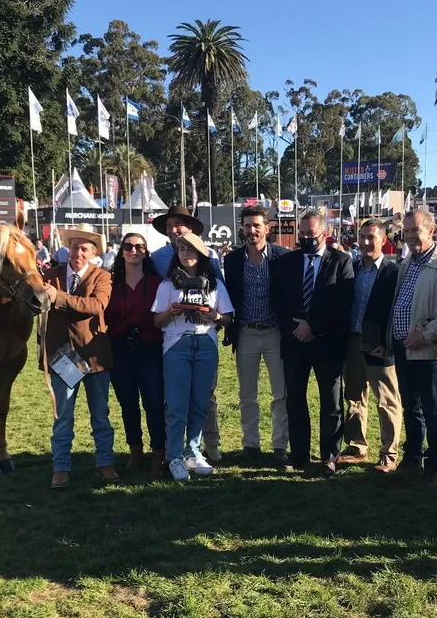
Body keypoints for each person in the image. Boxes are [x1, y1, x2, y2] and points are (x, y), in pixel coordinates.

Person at [270, 209, 355, 475]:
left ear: (325, 234)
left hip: (327, 343)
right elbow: (277, 301)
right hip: (294, 342)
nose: (307, 238)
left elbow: (343, 304)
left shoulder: (341, 261)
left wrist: (313, 328)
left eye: (312, 234)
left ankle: (329, 456)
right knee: (295, 400)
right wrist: (297, 328)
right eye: (303, 233)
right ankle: (299, 456)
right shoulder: (286, 262)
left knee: (331, 403)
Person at [387, 209, 437, 485]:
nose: (409, 236)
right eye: (406, 232)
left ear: (431, 231)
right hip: (404, 347)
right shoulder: (408, 263)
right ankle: (413, 458)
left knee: (433, 408)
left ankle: (435, 466)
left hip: (429, 350)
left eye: (414, 230)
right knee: (411, 407)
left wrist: (428, 334)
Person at [40, 226, 119, 487]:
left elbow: (96, 306)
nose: (78, 253)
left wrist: (59, 297)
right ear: (68, 249)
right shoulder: (50, 275)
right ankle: (60, 468)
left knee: (100, 414)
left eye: (84, 249)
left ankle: (105, 464)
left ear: (93, 253)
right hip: (62, 358)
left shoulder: (103, 277)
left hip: (94, 357)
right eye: (74, 247)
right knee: (62, 416)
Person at [151, 231, 234, 481]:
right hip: (177, 345)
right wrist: (171, 312)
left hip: (206, 344)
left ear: (200, 254)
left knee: (200, 404)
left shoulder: (215, 284)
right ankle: (174, 455)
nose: (186, 254)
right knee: (176, 405)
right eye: (181, 249)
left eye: (190, 249)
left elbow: (228, 318)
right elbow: (157, 321)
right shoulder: (167, 285)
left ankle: (193, 451)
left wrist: (214, 316)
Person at [223, 204, 290, 468]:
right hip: (246, 332)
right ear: (242, 227)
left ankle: (279, 446)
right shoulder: (232, 260)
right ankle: (250, 444)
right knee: (247, 394)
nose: (251, 231)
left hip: (275, 333)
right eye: (247, 225)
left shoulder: (282, 257)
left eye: (256, 226)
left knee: (279, 394)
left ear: (267, 228)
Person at [339, 219, 402, 474]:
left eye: (371, 237)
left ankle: (389, 454)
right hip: (352, 342)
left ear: (383, 240)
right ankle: (356, 446)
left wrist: (389, 344)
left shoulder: (394, 272)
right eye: (362, 236)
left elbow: (398, 312)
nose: (365, 242)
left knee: (387, 401)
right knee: (354, 397)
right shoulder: (350, 268)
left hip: (380, 346)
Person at [105, 232, 165, 477]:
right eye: (129, 246)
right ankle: (135, 451)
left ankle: (158, 453)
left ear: (146, 251)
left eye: (139, 246)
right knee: (127, 403)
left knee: (153, 402)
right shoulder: (110, 283)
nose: (134, 251)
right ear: (121, 252)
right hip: (119, 349)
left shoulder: (157, 283)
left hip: (151, 348)